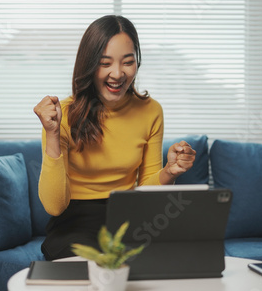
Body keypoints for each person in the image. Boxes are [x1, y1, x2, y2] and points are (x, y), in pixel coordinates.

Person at [33, 15, 196, 261]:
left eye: (127, 62)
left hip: (129, 216)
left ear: (137, 63)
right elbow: (54, 207)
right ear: (89, 64)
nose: (117, 74)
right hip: (75, 222)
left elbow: (147, 196)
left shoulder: (151, 111)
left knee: (172, 261)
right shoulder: (61, 115)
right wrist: (52, 133)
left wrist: (169, 172)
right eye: (105, 63)